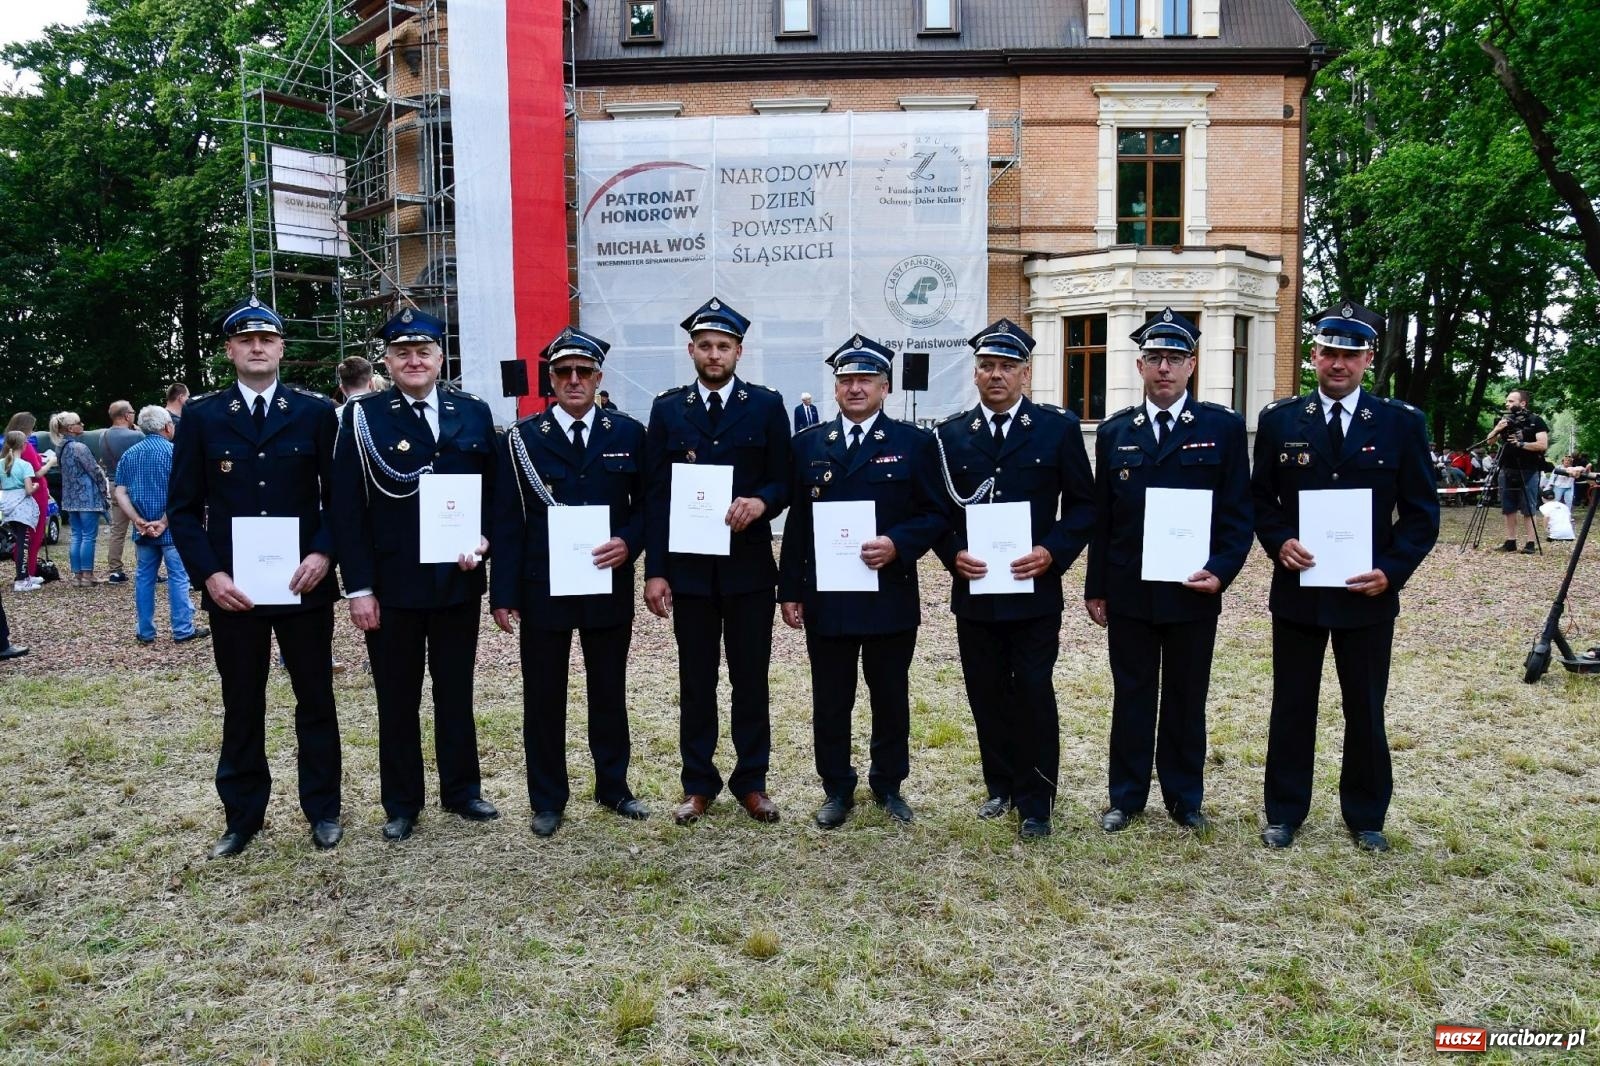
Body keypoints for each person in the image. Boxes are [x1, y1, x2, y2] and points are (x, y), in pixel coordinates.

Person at [1251, 300, 1439, 853]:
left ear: (1368, 360)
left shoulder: (1402, 423)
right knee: (1292, 705)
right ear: (1313, 355)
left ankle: (1366, 816)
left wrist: (1393, 571)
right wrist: (1279, 541)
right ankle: (1284, 812)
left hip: (1367, 592)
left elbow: (1422, 513)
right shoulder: (1280, 420)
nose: (1338, 364)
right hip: (1299, 592)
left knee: (1365, 706)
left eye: (1350, 354)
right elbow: (1261, 499)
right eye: (1329, 352)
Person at [168, 296, 343, 858]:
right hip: (235, 589)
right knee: (242, 701)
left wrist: (323, 555)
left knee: (315, 698)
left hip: (302, 583)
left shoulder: (315, 413)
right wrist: (210, 576)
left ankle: (323, 809)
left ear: (282, 348)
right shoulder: (203, 416)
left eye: (266, 339)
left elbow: (339, 501)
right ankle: (242, 817)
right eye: (246, 340)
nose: (257, 347)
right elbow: (184, 508)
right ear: (230, 351)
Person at [332, 308, 500, 842]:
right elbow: (347, 508)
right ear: (386, 359)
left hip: (457, 580)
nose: (413, 360)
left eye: (423, 351)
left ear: (439, 357)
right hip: (392, 586)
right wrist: (358, 587)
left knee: (456, 690)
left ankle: (462, 790)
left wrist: (485, 541)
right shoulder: (362, 418)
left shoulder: (471, 412)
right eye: (402, 352)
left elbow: (495, 496)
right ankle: (402, 803)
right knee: (397, 696)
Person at [1084, 309, 1253, 836]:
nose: (1164, 368)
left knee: (1186, 696)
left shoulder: (1221, 428)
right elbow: (1103, 517)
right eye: (1155, 358)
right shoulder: (1115, 433)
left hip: (1192, 589)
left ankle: (1184, 797)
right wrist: (1096, 587)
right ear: (1139, 366)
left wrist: (1222, 571)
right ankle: (1126, 797)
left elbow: (1236, 512)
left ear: (1192, 365)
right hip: (1130, 589)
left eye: (1174, 359)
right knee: (1131, 694)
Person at [932, 318, 1095, 839]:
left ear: (1026, 373)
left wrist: (1053, 551)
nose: (995, 375)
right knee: (985, 690)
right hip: (976, 590)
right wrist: (951, 552)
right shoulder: (951, 434)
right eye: (986, 366)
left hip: (1034, 590)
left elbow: (1084, 507)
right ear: (975, 374)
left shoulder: (1057, 428)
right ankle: (999, 784)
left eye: (1006, 366)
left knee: (1031, 688)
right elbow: (935, 510)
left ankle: (1037, 794)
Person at [778, 335, 947, 828]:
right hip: (827, 597)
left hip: (888, 593)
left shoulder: (914, 444)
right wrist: (789, 589)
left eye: (865, 380)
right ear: (834, 389)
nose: (855, 388)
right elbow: (798, 525)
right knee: (830, 697)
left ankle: (889, 784)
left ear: (885, 387)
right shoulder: (808, 445)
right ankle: (835, 787)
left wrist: (898, 543)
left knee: (889, 694)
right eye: (846, 380)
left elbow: (935, 513)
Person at [491, 326, 650, 837]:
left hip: (607, 580)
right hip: (544, 586)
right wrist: (504, 594)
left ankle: (614, 787)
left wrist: (630, 541)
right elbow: (508, 521)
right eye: (564, 372)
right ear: (550, 380)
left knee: (608, 688)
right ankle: (547, 798)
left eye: (584, 372)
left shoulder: (628, 433)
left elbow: (649, 505)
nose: (575, 380)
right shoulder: (520, 440)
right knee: (544, 694)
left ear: (599, 377)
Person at [644, 297, 791, 826]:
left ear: (738, 351)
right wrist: (655, 569)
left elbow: (784, 478)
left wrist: (763, 502)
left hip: (748, 570)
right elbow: (656, 495)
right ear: (691, 350)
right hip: (690, 574)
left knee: (750, 679)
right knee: (696, 681)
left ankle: (752, 781)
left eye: (722, 346)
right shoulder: (668, 409)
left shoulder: (766, 405)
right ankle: (698, 784)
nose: (713, 354)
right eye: (705, 345)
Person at [112, 406, 207, 646]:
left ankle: (145, 630)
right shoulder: (175, 453)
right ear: (167, 426)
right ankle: (182, 628)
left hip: (143, 528)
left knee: (144, 577)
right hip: (172, 528)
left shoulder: (129, 455)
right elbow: (182, 493)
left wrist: (137, 520)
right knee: (178, 576)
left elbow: (120, 492)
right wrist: (165, 521)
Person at [1489, 388, 1549, 554]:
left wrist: (1522, 444)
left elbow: (1543, 445)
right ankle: (1510, 541)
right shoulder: (1503, 420)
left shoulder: (1536, 421)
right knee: (1508, 507)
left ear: (1523, 403)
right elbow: (1490, 442)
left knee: (1528, 508)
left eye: (1511, 401)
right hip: (1506, 468)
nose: (1507, 404)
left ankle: (1530, 543)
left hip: (1529, 469)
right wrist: (1497, 429)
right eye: (1507, 401)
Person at [55, 411, 108, 587]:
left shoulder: (60, 447)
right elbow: (95, 471)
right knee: (88, 536)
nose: (82, 425)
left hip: (70, 498)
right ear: (71, 428)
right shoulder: (79, 448)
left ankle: (77, 575)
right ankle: (88, 575)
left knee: (76, 535)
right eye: (79, 422)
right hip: (87, 498)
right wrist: (103, 490)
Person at [4, 413, 53, 584]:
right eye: (32, 428)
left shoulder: (6, 457)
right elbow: (37, 473)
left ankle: (24, 571)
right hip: (33, 496)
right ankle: (27, 573)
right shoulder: (28, 449)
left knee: (25, 536)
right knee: (34, 535)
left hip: (13, 501)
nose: (33, 432)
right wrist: (51, 462)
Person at [101, 400, 143, 583]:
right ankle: (145, 567)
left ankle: (115, 570)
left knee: (117, 529)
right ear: (127, 415)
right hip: (135, 485)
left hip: (114, 483)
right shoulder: (136, 436)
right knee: (141, 525)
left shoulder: (103, 436)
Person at [1, 431, 41, 592]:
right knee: (23, 543)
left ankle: (24, 576)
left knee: (19, 540)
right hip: (22, 507)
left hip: (8, 505)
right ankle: (22, 579)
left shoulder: (1, 463)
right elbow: (29, 490)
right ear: (24, 445)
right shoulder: (25, 465)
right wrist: (36, 487)